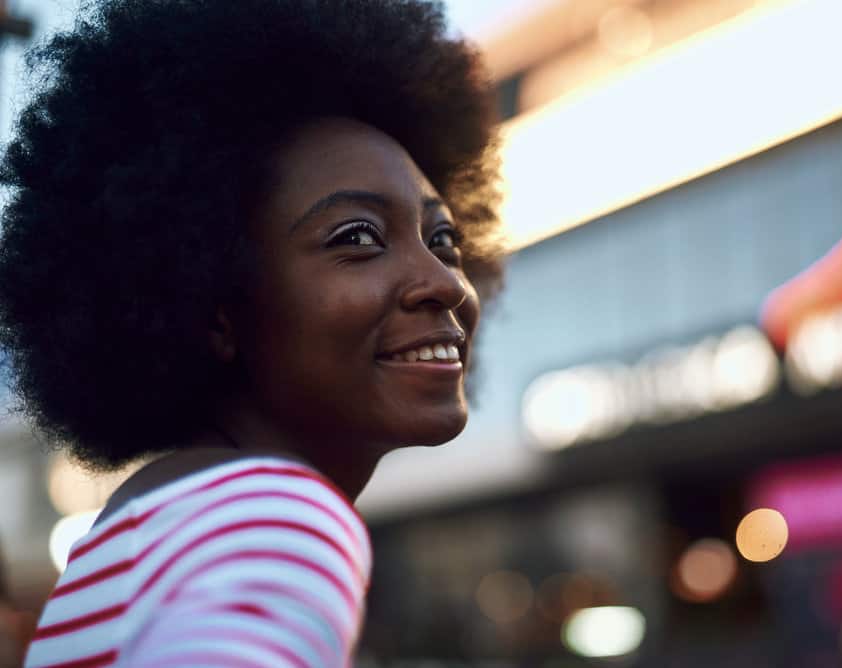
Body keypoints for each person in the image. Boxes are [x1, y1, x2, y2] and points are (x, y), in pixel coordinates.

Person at [0, 0, 503, 665]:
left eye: (444, 240)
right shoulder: (273, 518)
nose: (445, 282)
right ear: (212, 305)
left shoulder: (132, 539)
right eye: (357, 237)